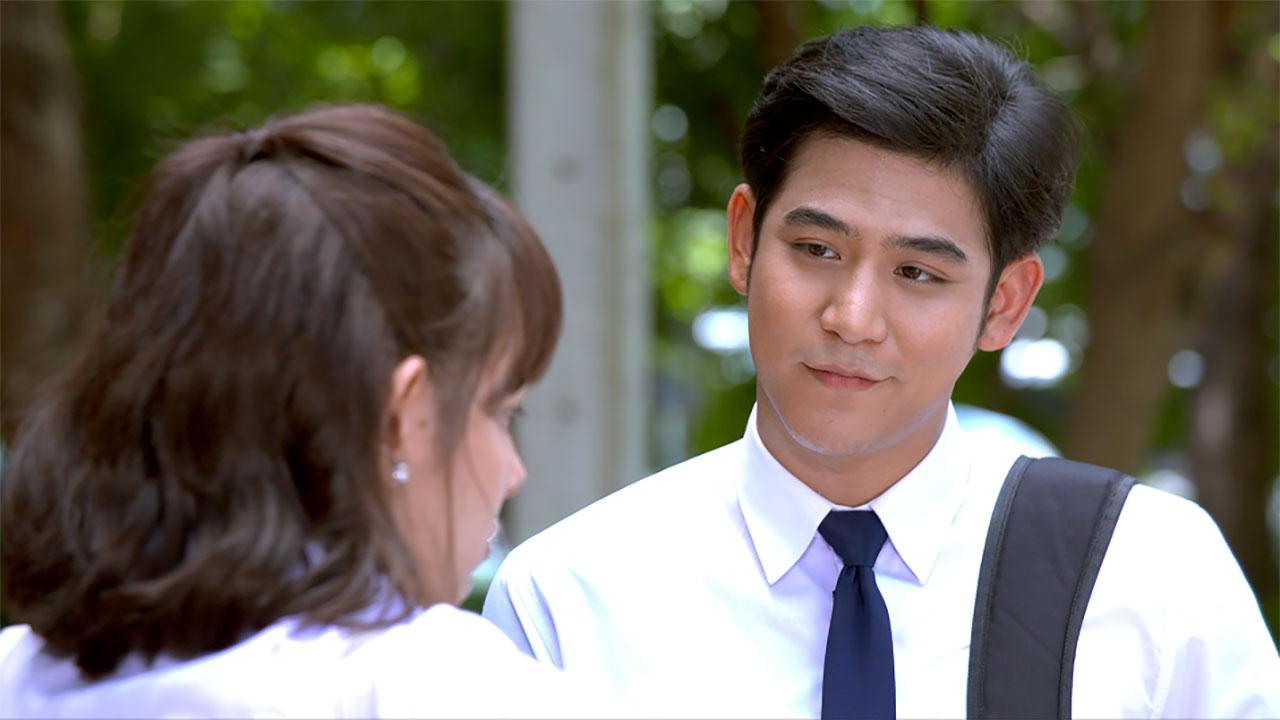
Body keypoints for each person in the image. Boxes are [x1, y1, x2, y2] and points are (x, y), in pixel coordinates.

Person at [483, 25, 1280, 718]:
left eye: (918, 274)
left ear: (1004, 304)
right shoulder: (572, 598)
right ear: (744, 241)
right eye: (816, 250)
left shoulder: (1147, 576)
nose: (852, 317)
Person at [0, 104, 602, 718]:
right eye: (501, 412)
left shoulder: (18, 671)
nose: (514, 471)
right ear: (405, 413)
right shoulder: (445, 688)